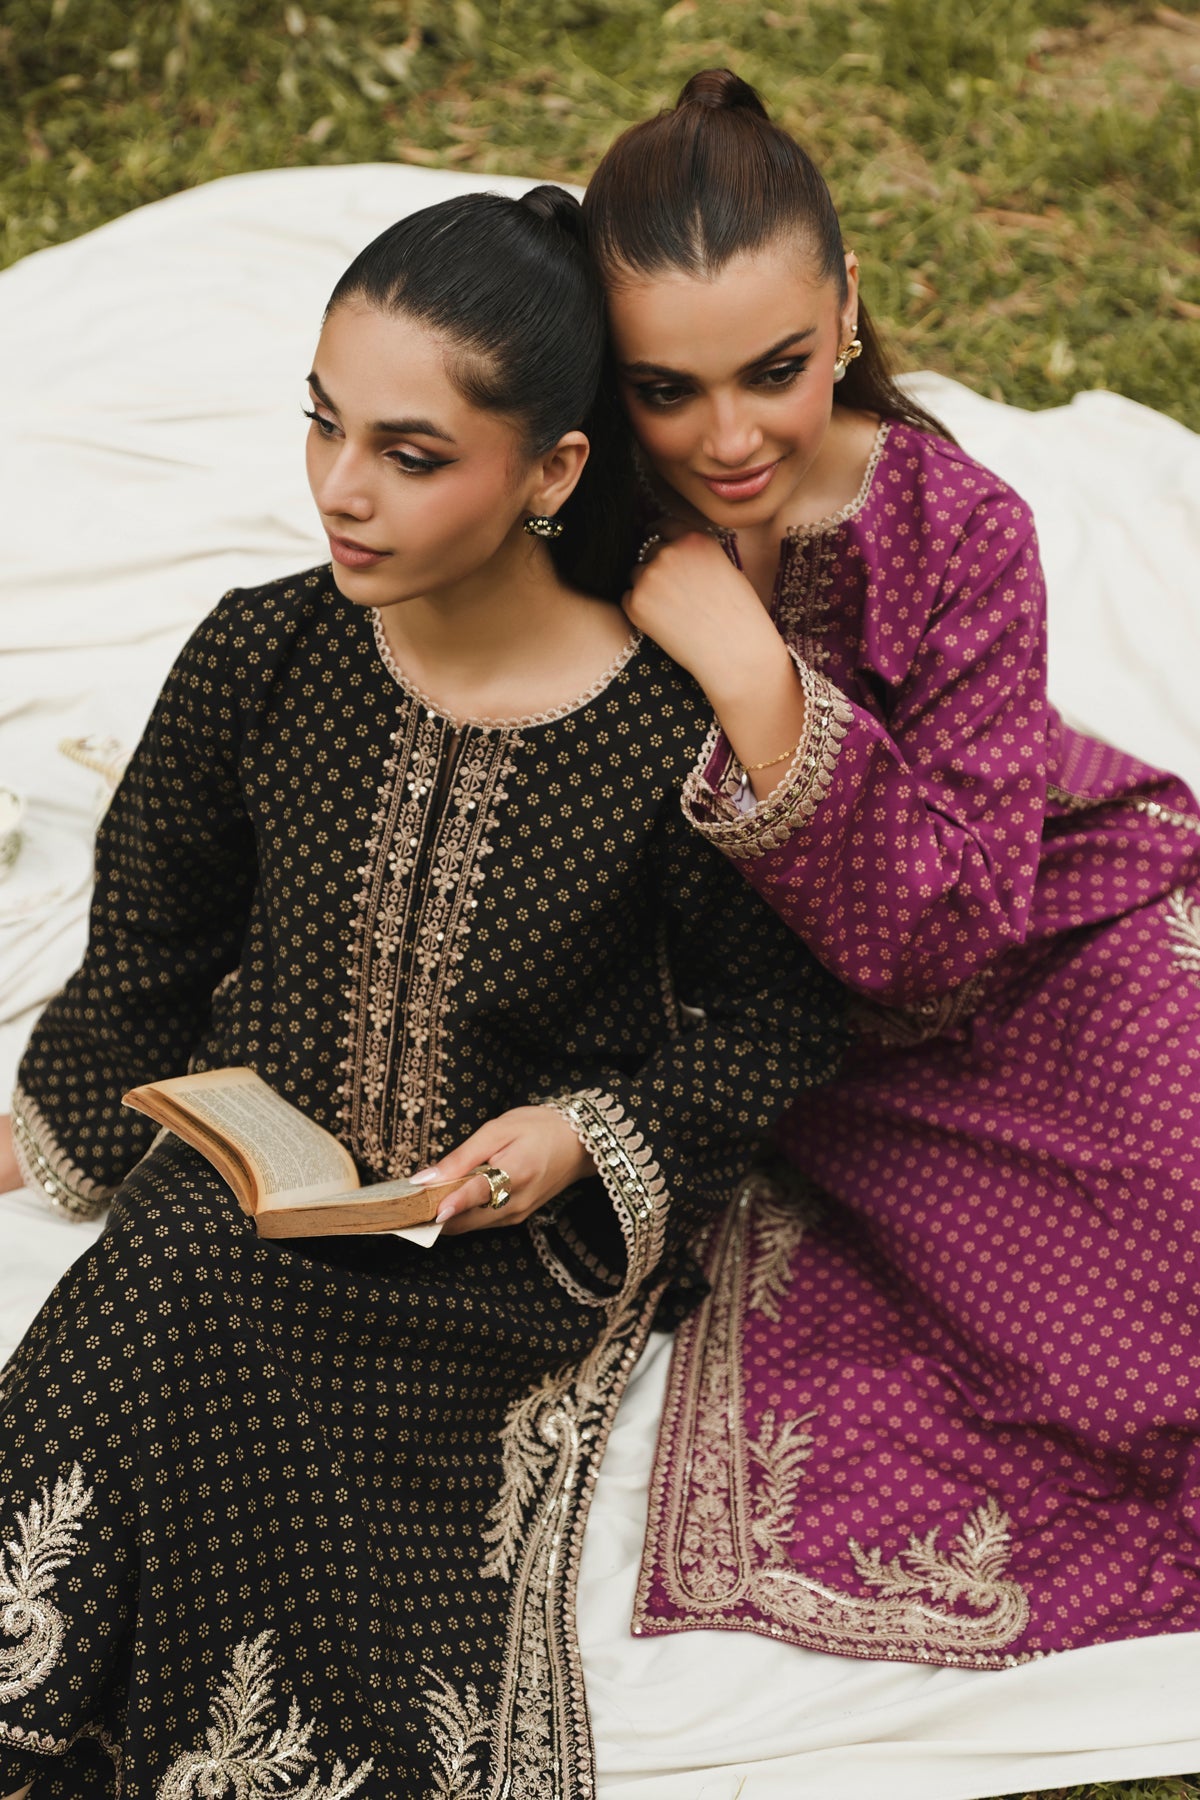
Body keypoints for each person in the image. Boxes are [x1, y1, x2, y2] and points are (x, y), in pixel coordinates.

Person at [0, 185, 846, 1798]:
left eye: (410, 453)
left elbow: (777, 1024)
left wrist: (582, 1137)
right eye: (324, 425)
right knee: (155, 1292)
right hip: (243, 1182)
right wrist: (54, 1132)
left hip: (495, 1251)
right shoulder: (258, 658)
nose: (341, 488)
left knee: (256, 1386)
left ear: (553, 471)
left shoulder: (663, 739)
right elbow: (149, 952)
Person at [582, 71, 1200, 1669]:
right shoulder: (576, 523)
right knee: (1128, 1369)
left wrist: (754, 677)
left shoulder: (958, 525)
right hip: (799, 1042)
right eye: (666, 389)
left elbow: (955, 940)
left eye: (777, 371)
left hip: (1044, 924)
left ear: (848, 309)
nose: (729, 439)